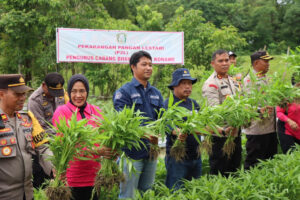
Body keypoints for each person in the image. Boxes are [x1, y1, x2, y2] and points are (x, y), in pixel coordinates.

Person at [52, 74, 113, 200]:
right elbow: (64, 146)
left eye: (82, 91)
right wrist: (95, 151)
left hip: (94, 177)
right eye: (74, 91)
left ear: (87, 92)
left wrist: (110, 151)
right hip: (71, 178)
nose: (78, 95)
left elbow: (104, 138)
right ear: (69, 92)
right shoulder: (62, 112)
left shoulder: (95, 111)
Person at [113, 50, 164, 198]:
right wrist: (147, 134)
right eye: (144, 64)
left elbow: (163, 118)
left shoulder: (156, 93)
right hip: (131, 154)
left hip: (151, 153)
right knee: (128, 194)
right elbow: (123, 122)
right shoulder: (124, 92)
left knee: (146, 193)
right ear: (133, 67)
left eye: (150, 64)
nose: (148, 68)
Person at [0, 74, 53, 200]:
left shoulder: (28, 118)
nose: (23, 98)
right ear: (1, 94)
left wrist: (53, 168)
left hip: (27, 194)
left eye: (24, 94)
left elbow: (43, 148)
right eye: (17, 94)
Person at [202, 49, 242, 176]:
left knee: (234, 170)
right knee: (220, 172)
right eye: (221, 61)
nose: (225, 63)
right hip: (220, 136)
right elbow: (215, 113)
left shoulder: (232, 80)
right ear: (213, 63)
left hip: (235, 134)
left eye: (227, 60)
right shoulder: (211, 84)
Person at [28, 72, 68, 188]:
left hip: (62, 145)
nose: (55, 96)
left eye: (58, 92)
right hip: (45, 146)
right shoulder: (35, 100)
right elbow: (41, 130)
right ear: (44, 85)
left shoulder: (61, 94)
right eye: (52, 92)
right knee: (45, 183)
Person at [164, 68, 201, 190]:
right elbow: (165, 124)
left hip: (196, 156)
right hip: (178, 158)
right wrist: (175, 131)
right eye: (183, 83)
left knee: (194, 192)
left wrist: (219, 130)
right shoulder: (167, 104)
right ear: (174, 85)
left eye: (190, 83)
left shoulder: (194, 104)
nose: (188, 87)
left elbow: (202, 123)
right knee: (176, 192)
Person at [243, 51, 278, 170]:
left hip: (270, 128)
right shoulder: (249, 80)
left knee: (270, 161)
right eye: (266, 61)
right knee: (254, 162)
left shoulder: (267, 78)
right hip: (257, 129)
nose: (268, 64)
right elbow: (246, 104)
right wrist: (259, 110)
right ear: (256, 62)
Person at [276, 81, 300, 153]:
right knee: (290, 153)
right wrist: (289, 121)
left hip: (298, 130)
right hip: (287, 129)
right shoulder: (287, 98)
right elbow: (279, 112)